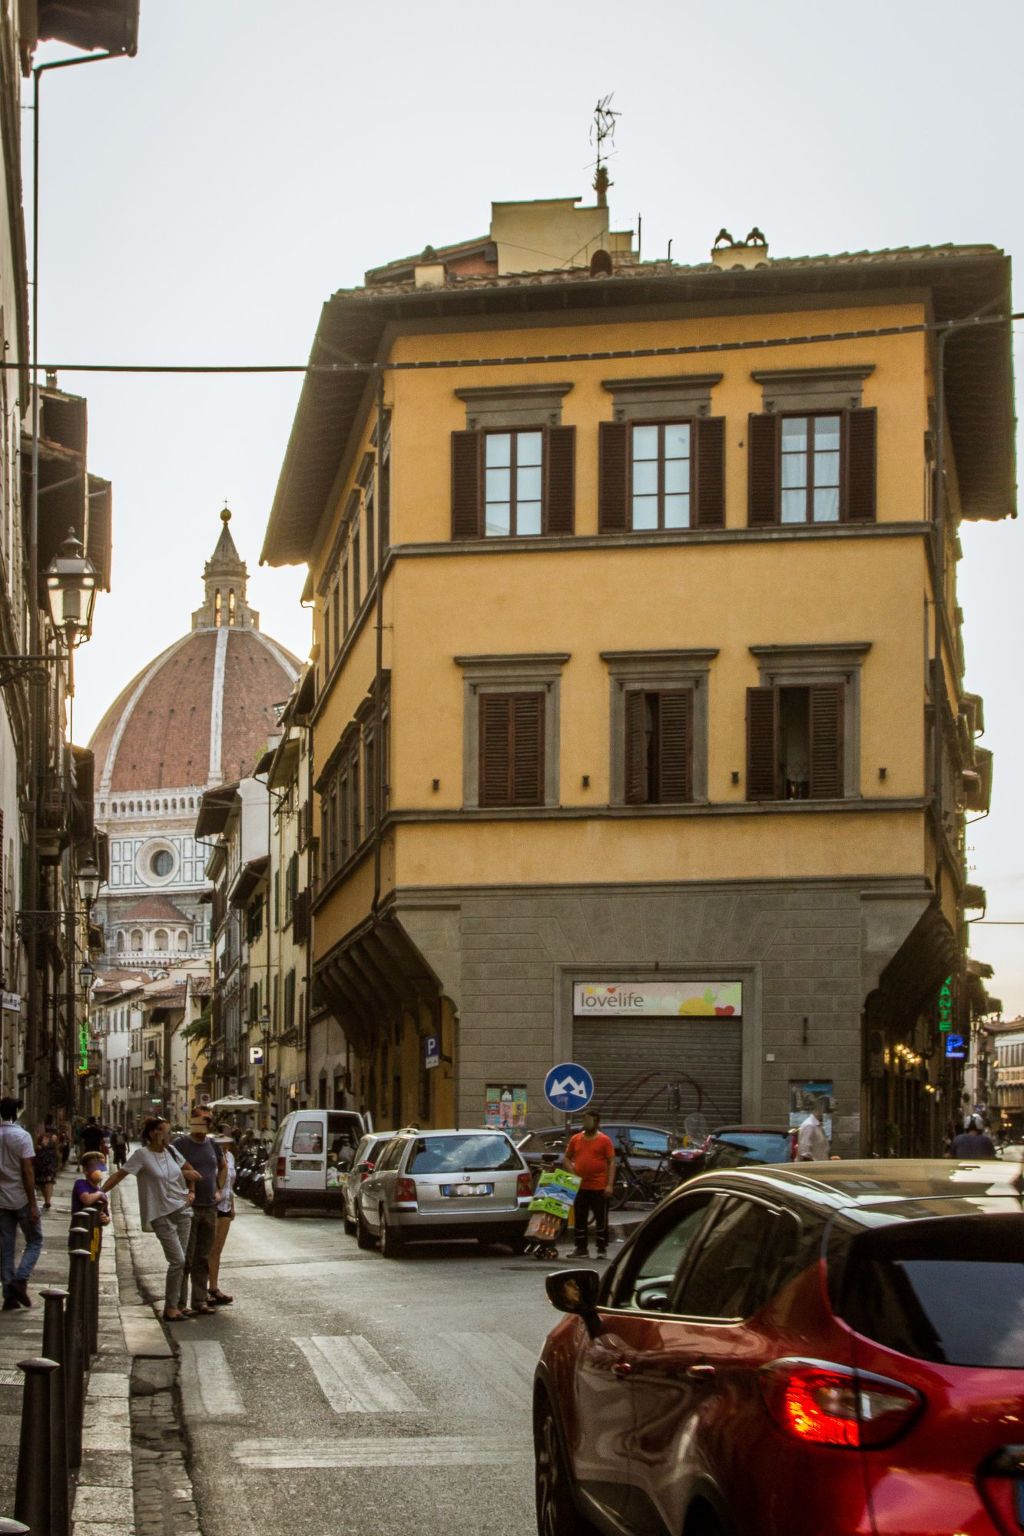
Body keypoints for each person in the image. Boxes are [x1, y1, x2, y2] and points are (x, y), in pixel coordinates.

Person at [103, 1116, 197, 1323]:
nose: (169, 1135)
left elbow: (190, 1171)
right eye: (166, 1131)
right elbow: (119, 1175)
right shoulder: (141, 1155)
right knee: (177, 1260)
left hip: (182, 1211)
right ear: (154, 1133)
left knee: (182, 1262)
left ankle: (178, 1305)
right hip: (159, 1212)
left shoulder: (172, 1151)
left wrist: (191, 1191)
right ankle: (170, 1308)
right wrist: (100, 1192)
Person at [172, 1114, 225, 1316]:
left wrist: (219, 1189)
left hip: (209, 1207)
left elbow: (222, 1167)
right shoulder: (180, 1144)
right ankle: (180, 1303)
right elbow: (170, 1170)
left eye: (205, 1124)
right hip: (188, 1207)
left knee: (203, 1256)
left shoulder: (212, 1145)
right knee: (186, 1256)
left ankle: (199, 1300)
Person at [0, 1097, 42, 1309]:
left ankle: (9, 1295)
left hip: (1, 1199)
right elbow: (27, 1171)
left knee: (5, 1247)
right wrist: (33, 1203)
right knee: (35, 1240)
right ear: (16, 1113)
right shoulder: (22, 1136)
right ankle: (20, 1279)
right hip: (21, 1198)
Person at [563, 1109, 617, 1260]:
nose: (586, 1123)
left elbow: (612, 1162)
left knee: (601, 1218)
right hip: (580, 1187)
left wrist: (610, 1184)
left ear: (597, 1123)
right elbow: (566, 1158)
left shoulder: (604, 1140)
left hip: (599, 1187)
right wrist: (573, 1173)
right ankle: (581, 1248)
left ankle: (601, 1248)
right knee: (580, 1218)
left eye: (589, 1120)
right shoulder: (576, 1139)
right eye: (584, 1120)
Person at [207, 1134, 236, 1306]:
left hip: (225, 1205)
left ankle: (213, 1287)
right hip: (212, 1205)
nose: (225, 1145)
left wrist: (232, 1205)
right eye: (221, 1143)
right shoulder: (209, 1156)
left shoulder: (230, 1156)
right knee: (207, 1249)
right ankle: (201, 1290)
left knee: (217, 1249)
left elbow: (230, 1184)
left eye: (227, 1143)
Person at [72, 1152, 111, 1234]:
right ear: (85, 1170)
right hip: (79, 1232)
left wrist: (105, 1219)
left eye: (101, 1167)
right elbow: (87, 1200)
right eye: (95, 1167)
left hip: (95, 1234)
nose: (99, 1170)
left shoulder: (102, 1194)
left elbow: (106, 1215)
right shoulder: (81, 1184)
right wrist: (100, 1193)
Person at [34, 1129, 59, 1212]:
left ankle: (47, 1200)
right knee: (43, 1182)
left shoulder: (52, 1138)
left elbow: (56, 1149)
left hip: (48, 1162)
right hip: (42, 1162)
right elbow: (36, 1147)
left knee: (48, 1181)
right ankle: (46, 1200)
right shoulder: (40, 1137)